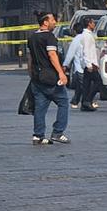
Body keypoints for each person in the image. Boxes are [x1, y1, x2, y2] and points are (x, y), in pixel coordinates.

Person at [27, 11, 70, 145]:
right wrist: (61, 73)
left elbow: (30, 59)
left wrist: (31, 74)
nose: (55, 23)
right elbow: (52, 55)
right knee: (63, 102)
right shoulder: (49, 37)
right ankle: (58, 132)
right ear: (45, 22)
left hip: (37, 78)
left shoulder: (32, 37)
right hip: (50, 78)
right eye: (52, 20)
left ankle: (38, 135)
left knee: (40, 107)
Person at [79, 16, 101, 111]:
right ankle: (88, 100)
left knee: (86, 84)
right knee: (98, 82)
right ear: (89, 24)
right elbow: (86, 50)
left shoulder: (89, 34)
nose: (94, 24)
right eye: (93, 22)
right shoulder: (87, 36)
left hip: (92, 62)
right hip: (90, 63)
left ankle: (84, 102)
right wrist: (89, 64)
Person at [62, 22, 86, 109]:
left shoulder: (76, 40)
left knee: (82, 85)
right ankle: (79, 101)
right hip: (86, 65)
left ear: (75, 31)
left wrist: (65, 65)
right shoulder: (86, 37)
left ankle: (81, 101)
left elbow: (70, 53)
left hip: (79, 66)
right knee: (81, 85)